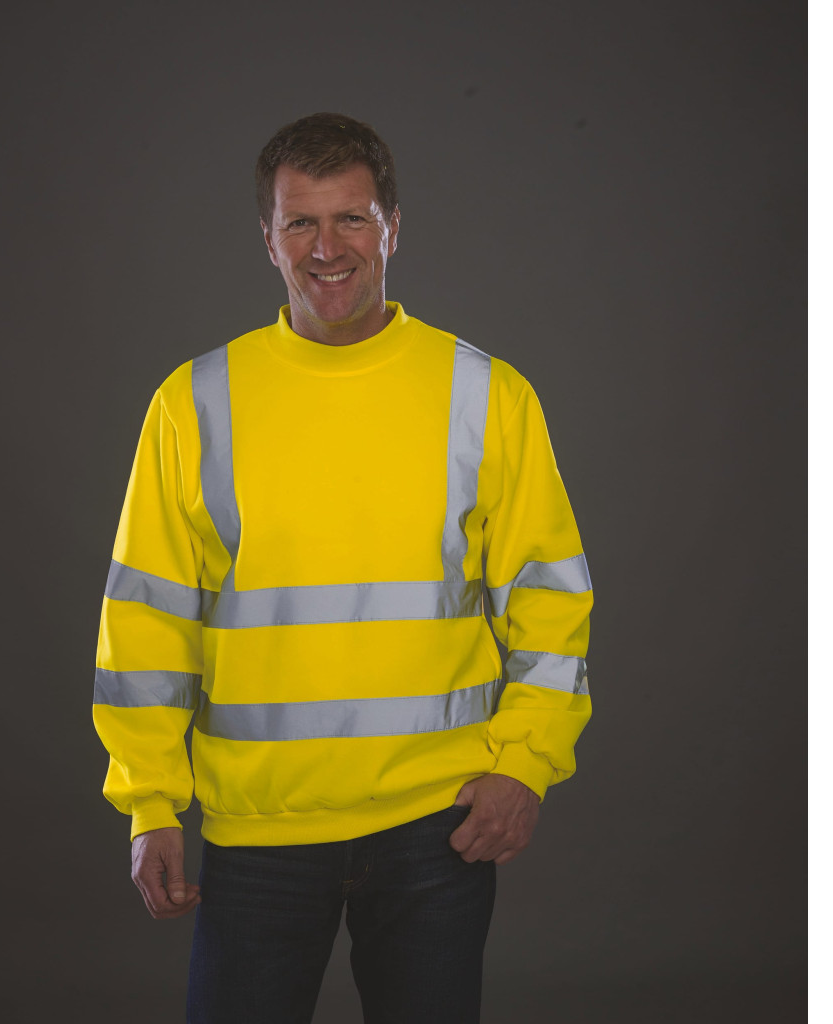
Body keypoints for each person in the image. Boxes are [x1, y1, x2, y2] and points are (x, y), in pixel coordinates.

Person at [93, 112, 593, 1024]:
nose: (328, 249)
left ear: (392, 226)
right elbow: (146, 625)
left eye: (352, 219)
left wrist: (525, 767)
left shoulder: (486, 395)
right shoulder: (193, 404)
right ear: (268, 238)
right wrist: (150, 804)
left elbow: (552, 606)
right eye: (302, 223)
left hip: (438, 829)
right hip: (258, 837)